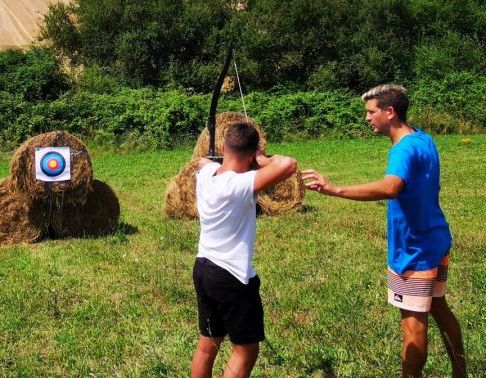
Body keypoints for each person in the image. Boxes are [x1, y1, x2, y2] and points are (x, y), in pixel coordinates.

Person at [302, 84, 466, 378]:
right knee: (440, 309)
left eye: (371, 111)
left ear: (389, 112)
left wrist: (335, 189)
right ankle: (460, 373)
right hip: (435, 240)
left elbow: (392, 187)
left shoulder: (403, 149)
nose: (367, 118)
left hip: (414, 252)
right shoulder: (422, 138)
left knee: (413, 329)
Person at [192, 122, 298, 378]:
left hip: (203, 268)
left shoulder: (207, 175)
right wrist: (262, 158)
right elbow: (289, 164)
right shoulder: (239, 184)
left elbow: (203, 162)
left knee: (207, 346)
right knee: (245, 351)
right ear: (252, 153)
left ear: (222, 147)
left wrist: (221, 158)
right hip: (231, 277)